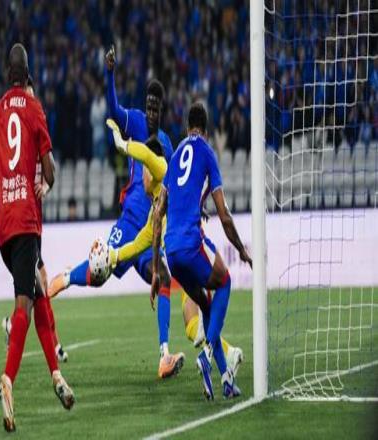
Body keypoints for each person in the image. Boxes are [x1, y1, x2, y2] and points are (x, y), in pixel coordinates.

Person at [48, 45, 184, 379]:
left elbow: (174, 185)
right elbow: (112, 108)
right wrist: (109, 73)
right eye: (148, 106)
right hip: (129, 221)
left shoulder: (167, 143)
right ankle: (61, 281)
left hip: (148, 231)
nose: (150, 112)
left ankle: (164, 355)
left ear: (162, 110)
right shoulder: (134, 121)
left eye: (155, 108)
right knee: (99, 274)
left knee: (164, 277)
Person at [0, 44, 73, 432]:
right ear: (27, 75)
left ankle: (56, 375)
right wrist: (47, 184)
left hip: (4, 230)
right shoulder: (33, 107)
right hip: (26, 220)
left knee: (38, 296)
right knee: (25, 303)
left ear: (6, 75)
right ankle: (7, 380)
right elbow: (49, 170)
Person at [105, 118, 243, 376]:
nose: (142, 177)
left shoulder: (161, 169)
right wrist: (112, 254)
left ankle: (224, 356)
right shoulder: (156, 207)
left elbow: (146, 154)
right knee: (192, 325)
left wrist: (122, 144)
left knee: (202, 313)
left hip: (192, 251)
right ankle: (225, 357)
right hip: (183, 256)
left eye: (143, 171)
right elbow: (140, 242)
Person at [152, 103, 252, 400]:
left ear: (187, 128)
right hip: (191, 244)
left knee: (207, 308)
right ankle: (207, 355)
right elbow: (224, 215)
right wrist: (241, 249)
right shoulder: (207, 153)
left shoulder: (174, 158)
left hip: (172, 254)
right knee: (225, 281)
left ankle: (225, 379)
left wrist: (157, 269)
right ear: (205, 130)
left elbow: (157, 215)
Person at [0, 77, 68, 364]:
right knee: (39, 284)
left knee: (34, 288)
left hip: (34, 221)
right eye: (28, 95)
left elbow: (50, 169)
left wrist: (45, 187)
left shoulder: (35, 133)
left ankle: (15, 325)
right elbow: (7, 174)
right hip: (25, 221)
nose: (31, 100)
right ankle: (53, 345)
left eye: (33, 96)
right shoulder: (22, 137)